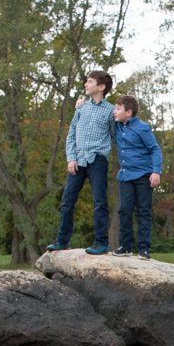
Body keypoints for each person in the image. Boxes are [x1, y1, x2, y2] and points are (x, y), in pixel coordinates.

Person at [47, 70, 115, 254]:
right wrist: (71, 158)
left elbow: (115, 136)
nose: (86, 84)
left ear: (101, 87)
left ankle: (101, 243)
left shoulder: (110, 111)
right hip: (78, 160)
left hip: (98, 160)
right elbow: (71, 136)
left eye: (90, 81)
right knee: (67, 201)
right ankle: (62, 241)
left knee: (100, 202)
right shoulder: (81, 108)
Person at [109, 95, 163, 258]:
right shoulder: (117, 126)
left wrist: (156, 171)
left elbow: (155, 149)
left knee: (143, 211)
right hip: (125, 176)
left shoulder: (142, 128)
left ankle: (144, 248)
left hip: (143, 175)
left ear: (129, 112)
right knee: (124, 210)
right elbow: (102, 112)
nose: (114, 111)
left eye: (118, 108)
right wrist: (81, 106)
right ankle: (126, 246)